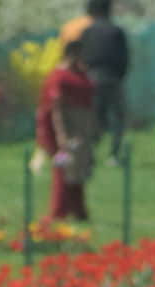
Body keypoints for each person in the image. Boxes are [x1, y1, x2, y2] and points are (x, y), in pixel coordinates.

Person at [38, 41, 98, 223]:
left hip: (80, 131)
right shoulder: (59, 77)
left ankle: (78, 208)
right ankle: (59, 210)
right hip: (67, 131)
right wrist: (61, 135)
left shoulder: (79, 75)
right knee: (63, 169)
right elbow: (56, 109)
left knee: (77, 170)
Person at [77, 0, 131, 167]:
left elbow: (82, 58)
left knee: (94, 118)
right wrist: (119, 76)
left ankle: (90, 153)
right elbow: (124, 59)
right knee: (118, 118)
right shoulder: (116, 31)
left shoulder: (87, 32)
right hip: (113, 78)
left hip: (92, 79)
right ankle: (113, 154)